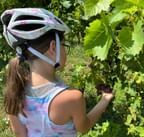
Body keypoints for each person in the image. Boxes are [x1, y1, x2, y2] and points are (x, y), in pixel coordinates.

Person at [1, 8, 113, 137]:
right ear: (53, 47)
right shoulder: (72, 97)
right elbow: (84, 127)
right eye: (64, 46)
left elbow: (20, 133)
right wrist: (104, 100)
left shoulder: (14, 92)